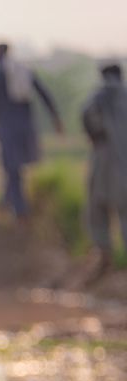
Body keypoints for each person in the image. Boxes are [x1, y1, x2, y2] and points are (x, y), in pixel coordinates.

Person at [0, 42, 63, 219]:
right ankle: (7, 200)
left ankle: (19, 208)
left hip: (7, 125)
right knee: (14, 165)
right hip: (26, 124)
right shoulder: (24, 72)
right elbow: (44, 94)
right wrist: (55, 117)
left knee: (11, 165)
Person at [82, 61, 127, 274]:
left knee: (97, 208)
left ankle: (104, 255)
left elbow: (88, 123)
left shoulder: (98, 98)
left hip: (104, 163)